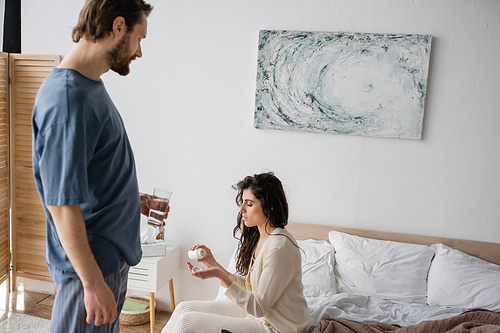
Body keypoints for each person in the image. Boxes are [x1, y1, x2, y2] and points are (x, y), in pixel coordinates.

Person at [31, 1, 159, 332]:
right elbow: (60, 204)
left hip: (104, 259)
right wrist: (91, 283)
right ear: (118, 27)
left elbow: (85, 176)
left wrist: (135, 200)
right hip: (91, 265)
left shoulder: (88, 87)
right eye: (139, 38)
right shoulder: (69, 99)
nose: (139, 51)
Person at [163, 172, 311, 333]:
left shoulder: (279, 247)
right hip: (262, 315)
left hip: (278, 327)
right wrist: (214, 265)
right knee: (183, 308)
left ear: (269, 206)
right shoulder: (262, 237)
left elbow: (258, 307)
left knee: (187, 322)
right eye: (243, 203)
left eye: (249, 204)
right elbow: (251, 290)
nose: (241, 209)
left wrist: (219, 276)